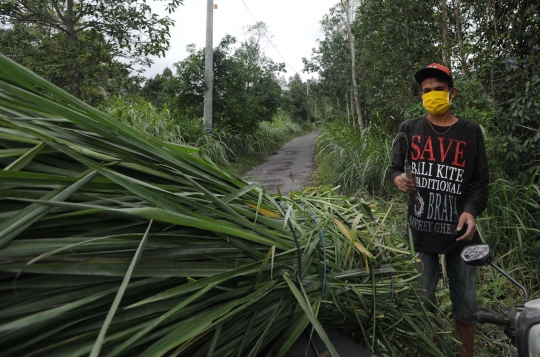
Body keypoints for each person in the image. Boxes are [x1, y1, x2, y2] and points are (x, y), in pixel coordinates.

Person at [387, 63, 489, 357]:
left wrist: (470, 210)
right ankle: (427, 349)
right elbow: (394, 167)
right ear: (421, 96)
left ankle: (465, 354)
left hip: (461, 235)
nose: (432, 95)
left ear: (451, 93)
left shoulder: (470, 132)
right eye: (426, 91)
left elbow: (481, 183)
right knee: (421, 303)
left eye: (439, 90)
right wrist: (398, 178)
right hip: (420, 233)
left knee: (466, 306)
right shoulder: (409, 129)